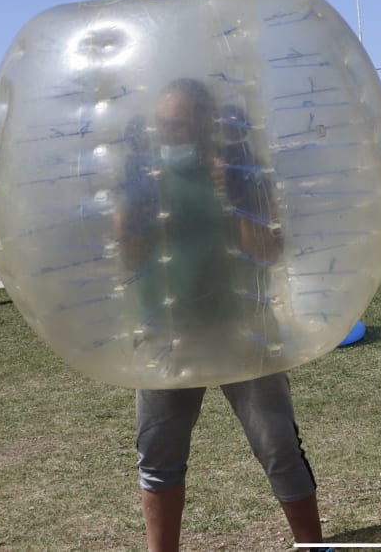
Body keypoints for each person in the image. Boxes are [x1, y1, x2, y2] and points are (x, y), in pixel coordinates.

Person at [116, 78, 330, 551]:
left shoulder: (242, 171)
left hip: (243, 329)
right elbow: (128, 256)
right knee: (158, 456)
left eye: (178, 125)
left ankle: (314, 546)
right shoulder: (141, 177)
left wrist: (230, 194)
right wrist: (148, 203)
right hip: (166, 334)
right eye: (162, 126)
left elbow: (269, 252)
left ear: (205, 125)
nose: (169, 135)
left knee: (277, 446)